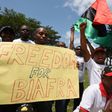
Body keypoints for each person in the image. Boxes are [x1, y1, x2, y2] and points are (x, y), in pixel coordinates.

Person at [33, 27, 53, 112]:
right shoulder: (25, 49)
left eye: (46, 34)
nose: (44, 36)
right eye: (41, 34)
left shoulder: (52, 52)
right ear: (34, 35)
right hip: (28, 91)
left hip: (45, 91)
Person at [69, 26, 85, 110]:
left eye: (80, 49)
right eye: (77, 49)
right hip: (70, 82)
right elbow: (71, 44)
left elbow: (84, 45)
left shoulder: (85, 59)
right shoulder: (72, 55)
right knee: (65, 100)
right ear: (75, 50)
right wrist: (72, 32)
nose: (79, 50)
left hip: (80, 83)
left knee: (78, 101)